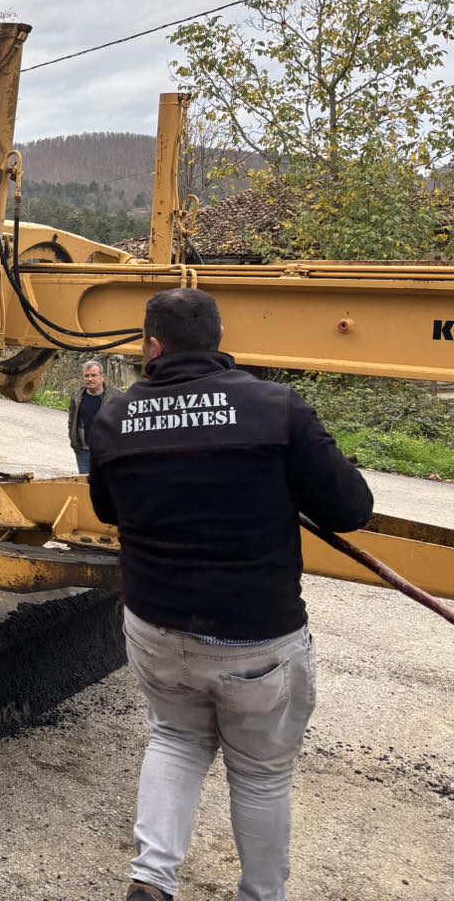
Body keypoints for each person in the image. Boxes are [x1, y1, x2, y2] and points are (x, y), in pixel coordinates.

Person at [86, 289, 372, 901]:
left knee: (175, 739)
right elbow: (351, 510)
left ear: (152, 346)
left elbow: (107, 510)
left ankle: (153, 880)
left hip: (156, 630)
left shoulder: (112, 418)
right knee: (262, 777)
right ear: (216, 341)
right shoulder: (275, 408)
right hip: (256, 643)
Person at [68, 358, 116, 474]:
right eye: (86, 375)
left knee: (106, 486)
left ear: (103, 377)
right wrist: (74, 442)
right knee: (86, 485)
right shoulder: (77, 396)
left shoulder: (116, 397)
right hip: (84, 452)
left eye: (93, 375)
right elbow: (72, 421)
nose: (89, 379)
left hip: (106, 452)